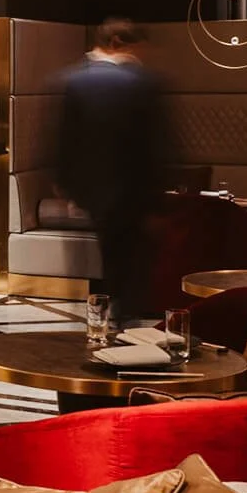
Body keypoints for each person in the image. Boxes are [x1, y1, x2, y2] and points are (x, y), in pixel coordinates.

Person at [56, 17, 173, 317]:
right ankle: (128, 326)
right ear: (118, 42)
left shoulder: (74, 81)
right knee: (134, 268)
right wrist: (160, 199)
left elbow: (65, 139)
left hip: (93, 193)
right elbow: (156, 145)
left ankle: (106, 323)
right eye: (139, 48)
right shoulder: (143, 82)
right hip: (135, 194)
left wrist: (67, 186)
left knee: (111, 260)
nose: (143, 56)